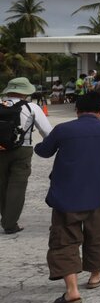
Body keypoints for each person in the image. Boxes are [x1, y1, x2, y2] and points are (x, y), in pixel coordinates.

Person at [34, 91, 100, 303]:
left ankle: (72, 291)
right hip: (99, 194)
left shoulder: (64, 130)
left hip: (66, 196)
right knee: (97, 235)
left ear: (77, 110)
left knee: (64, 239)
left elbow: (43, 151)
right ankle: (95, 275)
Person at [0, 77, 53, 234]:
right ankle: (10, 224)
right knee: (17, 186)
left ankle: (6, 216)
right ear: (26, 92)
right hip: (22, 150)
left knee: (2, 185)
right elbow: (47, 132)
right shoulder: (31, 107)